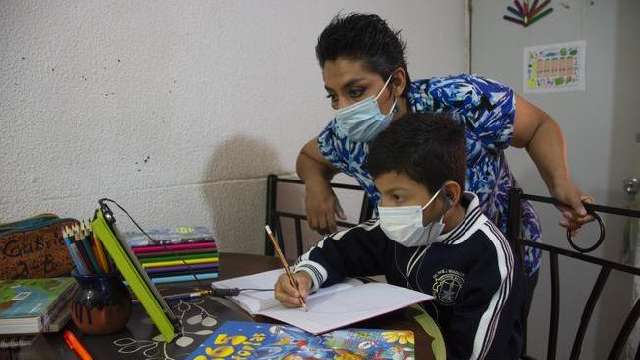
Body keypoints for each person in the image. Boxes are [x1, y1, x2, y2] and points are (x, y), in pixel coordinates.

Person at [296, 12, 593, 320]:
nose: (343, 109)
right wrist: (316, 186)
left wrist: (560, 183)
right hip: (413, 267)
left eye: (355, 91)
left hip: (494, 263)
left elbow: (537, 127)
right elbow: (309, 158)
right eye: (333, 96)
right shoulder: (346, 135)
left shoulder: (461, 99)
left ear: (396, 81)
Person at [277, 113, 524, 359]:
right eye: (381, 194)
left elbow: (474, 353)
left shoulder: (489, 256)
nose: (384, 208)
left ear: (449, 194)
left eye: (397, 197)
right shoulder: (396, 230)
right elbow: (338, 251)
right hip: (405, 345)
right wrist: (304, 276)